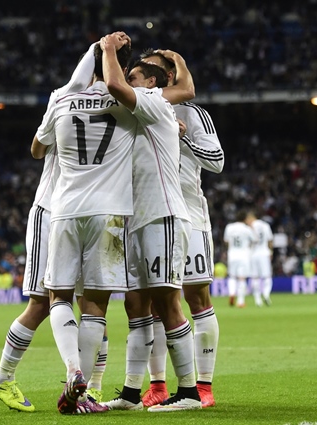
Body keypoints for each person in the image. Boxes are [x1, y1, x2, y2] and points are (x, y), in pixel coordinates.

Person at [0, 39, 107, 414]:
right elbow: (37, 150)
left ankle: (90, 388)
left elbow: (37, 148)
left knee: (94, 304)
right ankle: (3, 379)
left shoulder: (78, 100)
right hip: (52, 211)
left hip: (88, 213)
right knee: (43, 303)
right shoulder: (72, 100)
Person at [35, 32, 137, 415]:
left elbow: (36, 149)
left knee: (58, 296)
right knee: (94, 305)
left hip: (65, 207)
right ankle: (83, 392)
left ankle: (74, 372)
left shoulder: (60, 97)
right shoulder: (130, 101)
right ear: (122, 66)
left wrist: (98, 49)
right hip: (109, 212)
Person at [100, 34, 201, 412]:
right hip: (136, 220)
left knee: (167, 302)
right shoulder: (142, 111)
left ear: (152, 84)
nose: (129, 81)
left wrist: (108, 50)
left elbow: (113, 83)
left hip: (162, 216)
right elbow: (185, 88)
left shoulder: (154, 103)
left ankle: (189, 391)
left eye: (136, 76)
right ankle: (130, 393)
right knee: (135, 304)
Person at [137, 48, 225, 408]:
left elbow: (217, 162)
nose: (150, 77)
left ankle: (202, 386)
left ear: (170, 77)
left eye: (157, 70)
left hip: (189, 213)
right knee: (154, 303)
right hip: (149, 214)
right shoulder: (138, 109)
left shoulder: (193, 113)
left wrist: (183, 136)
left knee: (196, 299)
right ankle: (158, 384)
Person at [223, 210, 257, 308]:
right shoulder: (247, 229)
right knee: (242, 278)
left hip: (232, 254)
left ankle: (232, 293)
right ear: (245, 219)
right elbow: (255, 239)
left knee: (232, 277)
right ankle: (240, 301)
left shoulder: (229, 227)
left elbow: (226, 241)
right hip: (243, 255)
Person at [247, 210, 274, 306]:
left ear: (251, 217)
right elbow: (270, 240)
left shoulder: (250, 227)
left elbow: (249, 242)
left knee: (255, 278)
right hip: (264, 253)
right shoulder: (265, 225)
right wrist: (271, 251)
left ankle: (257, 300)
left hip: (253, 254)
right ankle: (266, 294)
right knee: (267, 276)